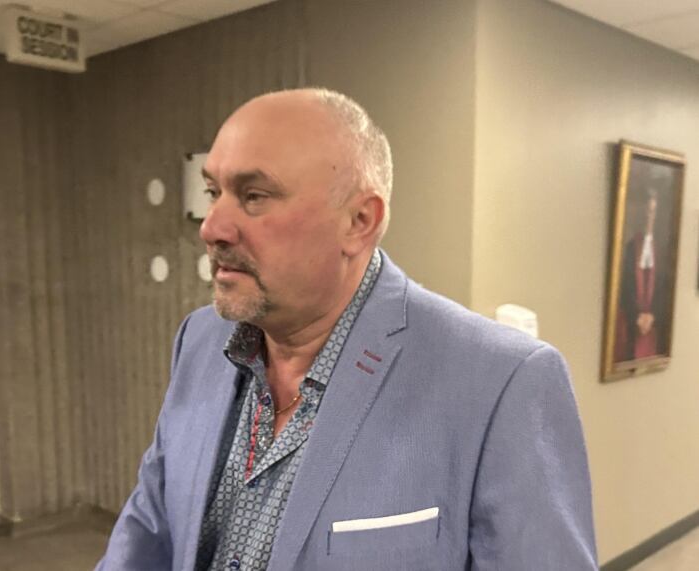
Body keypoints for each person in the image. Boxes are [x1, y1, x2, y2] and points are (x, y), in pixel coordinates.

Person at [96, 88, 597, 570]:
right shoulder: (199, 341)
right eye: (213, 192)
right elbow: (150, 526)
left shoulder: (500, 382)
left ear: (359, 221)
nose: (212, 227)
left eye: (253, 196)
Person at [615, 189, 668, 362]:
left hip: (652, 326)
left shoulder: (660, 251)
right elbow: (624, 287)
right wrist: (636, 315)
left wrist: (652, 316)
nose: (648, 217)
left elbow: (663, 288)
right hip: (631, 323)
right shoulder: (629, 248)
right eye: (645, 211)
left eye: (652, 212)